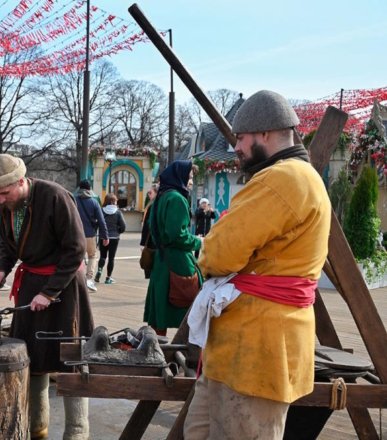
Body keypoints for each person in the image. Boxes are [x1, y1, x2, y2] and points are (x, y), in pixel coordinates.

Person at [184, 91, 331, 439]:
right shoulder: (298, 176)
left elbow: (217, 252)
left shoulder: (282, 178)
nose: (236, 146)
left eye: (242, 137)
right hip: (245, 349)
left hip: (255, 352)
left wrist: (211, 250)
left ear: (265, 133)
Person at [0, 154, 94, 440]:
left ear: (21, 182)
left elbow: (75, 250)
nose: (1, 200)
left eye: (5, 193)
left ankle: (77, 432)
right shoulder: (5, 206)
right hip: (31, 284)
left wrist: (50, 292)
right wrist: (0, 269)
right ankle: (38, 428)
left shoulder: (56, 197)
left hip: (65, 288)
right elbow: (9, 247)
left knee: (70, 360)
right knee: (32, 358)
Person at [144, 161, 203, 337]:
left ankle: (156, 352)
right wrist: (199, 242)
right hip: (177, 262)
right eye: (190, 177)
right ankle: (188, 354)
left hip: (161, 263)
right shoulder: (176, 199)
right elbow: (178, 235)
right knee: (194, 311)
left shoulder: (160, 197)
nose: (191, 182)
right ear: (180, 177)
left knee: (159, 316)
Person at [75, 179, 109, 292]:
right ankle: (89, 279)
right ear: (90, 189)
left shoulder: (74, 201)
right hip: (90, 235)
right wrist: (105, 236)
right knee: (92, 256)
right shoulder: (94, 202)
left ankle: (75, 279)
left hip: (76, 235)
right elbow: (101, 221)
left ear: (79, 189)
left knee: (76, 257)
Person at [95, 194, 126, 284]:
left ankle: (100, 270)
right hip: (114, 237)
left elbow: (97, 224)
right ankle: (108, 278)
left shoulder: (101, 211)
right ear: (114, 201)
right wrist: (118, 232)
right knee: (111, 258)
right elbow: (123, 226)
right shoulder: (118, 212)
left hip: (102, 237)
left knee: (103, 256)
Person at [139, 183, 159, 279]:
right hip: (155, 241)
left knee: (151, 265)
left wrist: (143, 243)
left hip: (151, 242)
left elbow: (147, 226)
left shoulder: (153, 206)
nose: (149, 195)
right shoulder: (155, 205)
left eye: (150, 193)